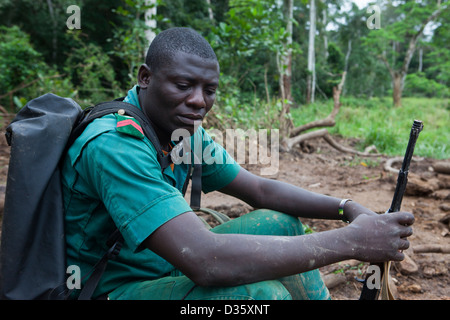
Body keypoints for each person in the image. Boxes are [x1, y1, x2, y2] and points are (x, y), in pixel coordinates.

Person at [61, 27, 414, 300]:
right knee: (262, 297)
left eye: (209, 90)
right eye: (184, 85)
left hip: (160, 266)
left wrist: (346, 209)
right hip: (106, 289)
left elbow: (259, 189)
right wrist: (353, 242)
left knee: (281, 223)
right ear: (145, 77)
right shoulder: (116, 144)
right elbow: (205, 260)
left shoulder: (180, 130)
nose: (199, 101)